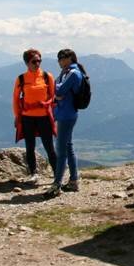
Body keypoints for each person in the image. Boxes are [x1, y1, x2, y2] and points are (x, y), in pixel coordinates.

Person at [12, 48, 56, 184]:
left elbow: (53, 96)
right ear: (27, 63)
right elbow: (15, 99)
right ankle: (33, 173)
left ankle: (57, 173)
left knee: (49, 146)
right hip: (27, 117)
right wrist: (17, 116)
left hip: (44, 116)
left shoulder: (47, 76)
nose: (37, 64)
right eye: (34, 61)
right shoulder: (21, 79)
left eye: (39, 61)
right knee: (29, 146)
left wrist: (54, 114)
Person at [47, 48, 85, 197]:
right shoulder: (66, 72)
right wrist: (57, 92)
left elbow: (58, 90)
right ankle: (74, 180)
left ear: (70, 58)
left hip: (66, 115)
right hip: (65, 113)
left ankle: (57, 184)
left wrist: (57, 92)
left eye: (62, 58)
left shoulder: (73, 73)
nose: (60, 61)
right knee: (68, 147)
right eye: (58, 58)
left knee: (61, 150)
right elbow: (57, 90)